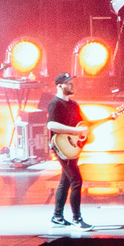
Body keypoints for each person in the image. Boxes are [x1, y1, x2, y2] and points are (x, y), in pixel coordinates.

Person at [44, 73, 91, 229]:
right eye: (69, 83)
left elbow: (83, 124)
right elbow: (51, 125)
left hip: (70, 148)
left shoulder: (74, 105)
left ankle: (57, 216)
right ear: (60, 86)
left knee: (65, 182)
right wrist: (74, 131)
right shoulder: (55, 104)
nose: (72, 85)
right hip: (61, 147)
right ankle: (77, 219)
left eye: (72, 83)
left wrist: (108, 119)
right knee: (76, 180)